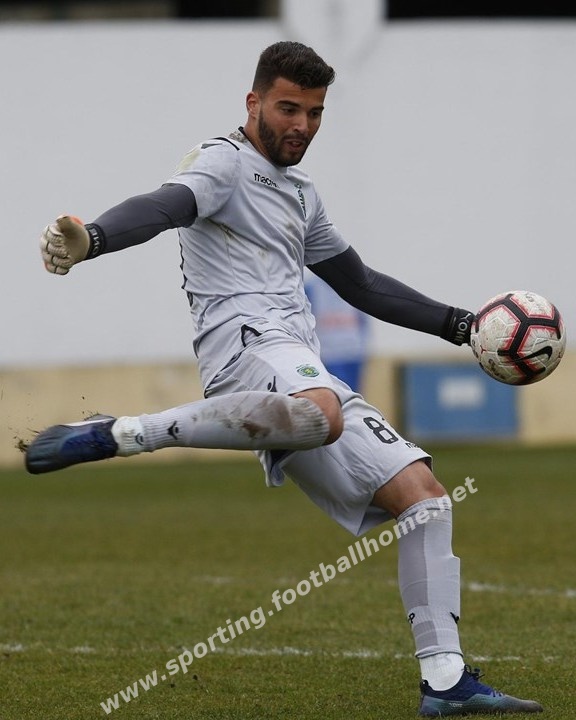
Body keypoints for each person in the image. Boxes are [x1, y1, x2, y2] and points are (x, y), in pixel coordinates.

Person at [25, 42, 542, 716]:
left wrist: (462, 325)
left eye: (315, 113)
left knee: (424, 498)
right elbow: (164, 205)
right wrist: (92, 237)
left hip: (299, 365)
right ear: (254, 102)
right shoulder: (223, 163)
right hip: (245, 347)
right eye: (288, 108)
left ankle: (444, 681)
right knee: (322, 413)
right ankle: (125, 433)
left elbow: (360, 283)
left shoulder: (301, 194)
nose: (301, 125)